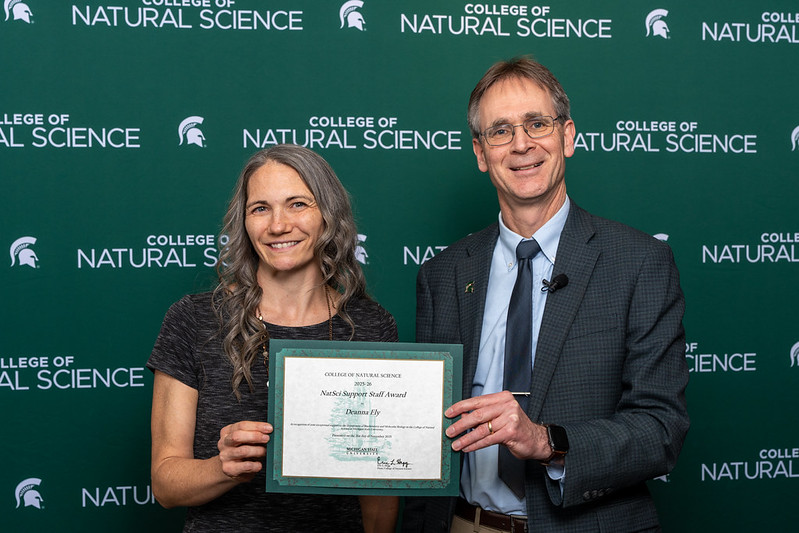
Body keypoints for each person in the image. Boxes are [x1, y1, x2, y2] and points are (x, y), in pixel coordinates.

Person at [402, 58, 689, 532]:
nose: (521, 144)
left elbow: (661, 428)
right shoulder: (442, 275)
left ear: (567, 136)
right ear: (480, 152)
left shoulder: (639, 263)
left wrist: (545, 441)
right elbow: (423, 435)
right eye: (500, 131)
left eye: (537, 124)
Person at [148, 144, 399, 532]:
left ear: (328, 214)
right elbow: (166, 484)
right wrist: (223, 468)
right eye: (260, 208)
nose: (278, 225)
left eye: (297, 204)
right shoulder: (193, 320)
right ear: (244, 222)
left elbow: (379, 490)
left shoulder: (371, 325)